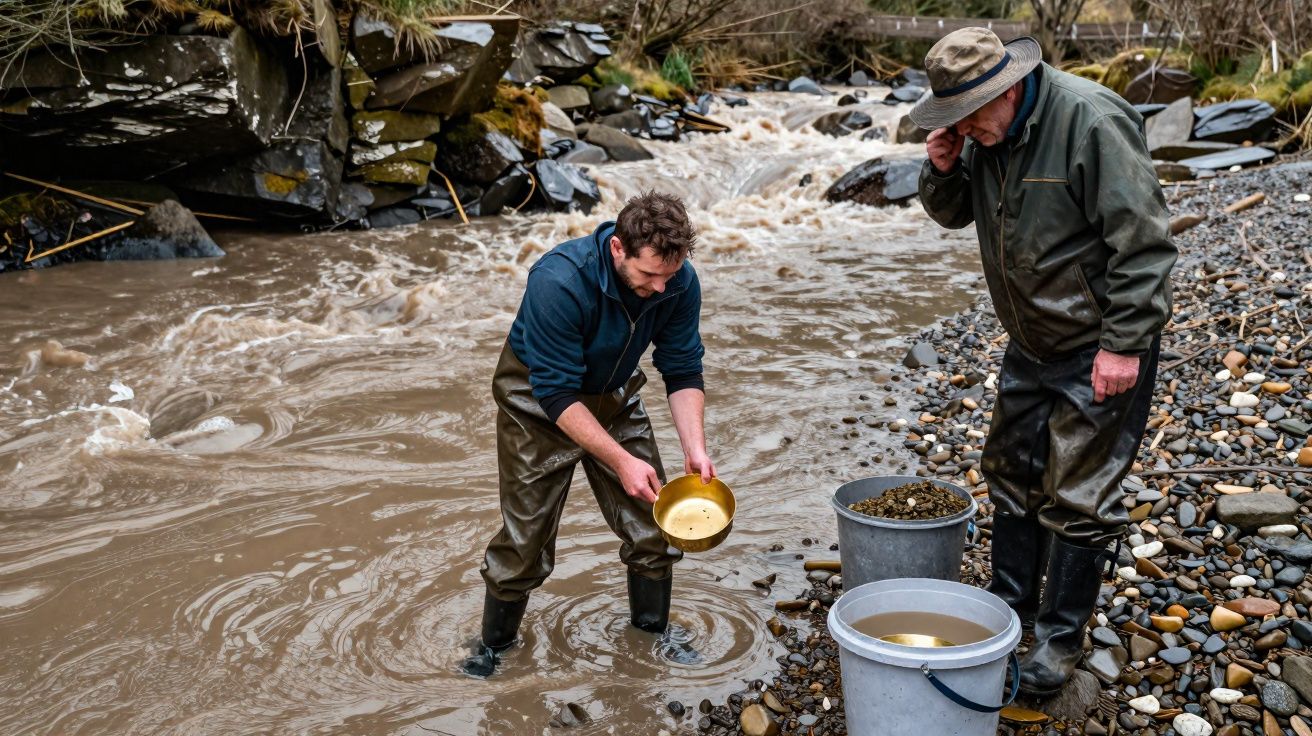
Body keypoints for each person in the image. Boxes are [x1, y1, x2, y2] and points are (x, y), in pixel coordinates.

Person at [911, 27, 1177, 695]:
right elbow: (952, 215)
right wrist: (942, 168)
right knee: (1010, 472)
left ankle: (1060, 640)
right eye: (954, 118)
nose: (966, 128)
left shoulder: (1090, 119)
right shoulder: (982, 135)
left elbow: (1144, 245)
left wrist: (1124, 344)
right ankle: (1007, 606)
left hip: (1098, 340)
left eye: (971, 113)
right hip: (1030, 339)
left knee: (1081, 496)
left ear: (1009, 87)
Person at [463, 190, 716, 678]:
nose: (662, 287)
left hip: (615, 396)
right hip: (536, 405)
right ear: (618, 249)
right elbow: (555, 393)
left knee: (656, 525)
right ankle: (494, 647)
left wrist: (695, 449)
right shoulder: (558, 280)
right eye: (649, 276)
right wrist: (621, 461)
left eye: (670, 274)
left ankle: (650, 639)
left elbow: (682, 368)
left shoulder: (677, 280)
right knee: (526, 542)